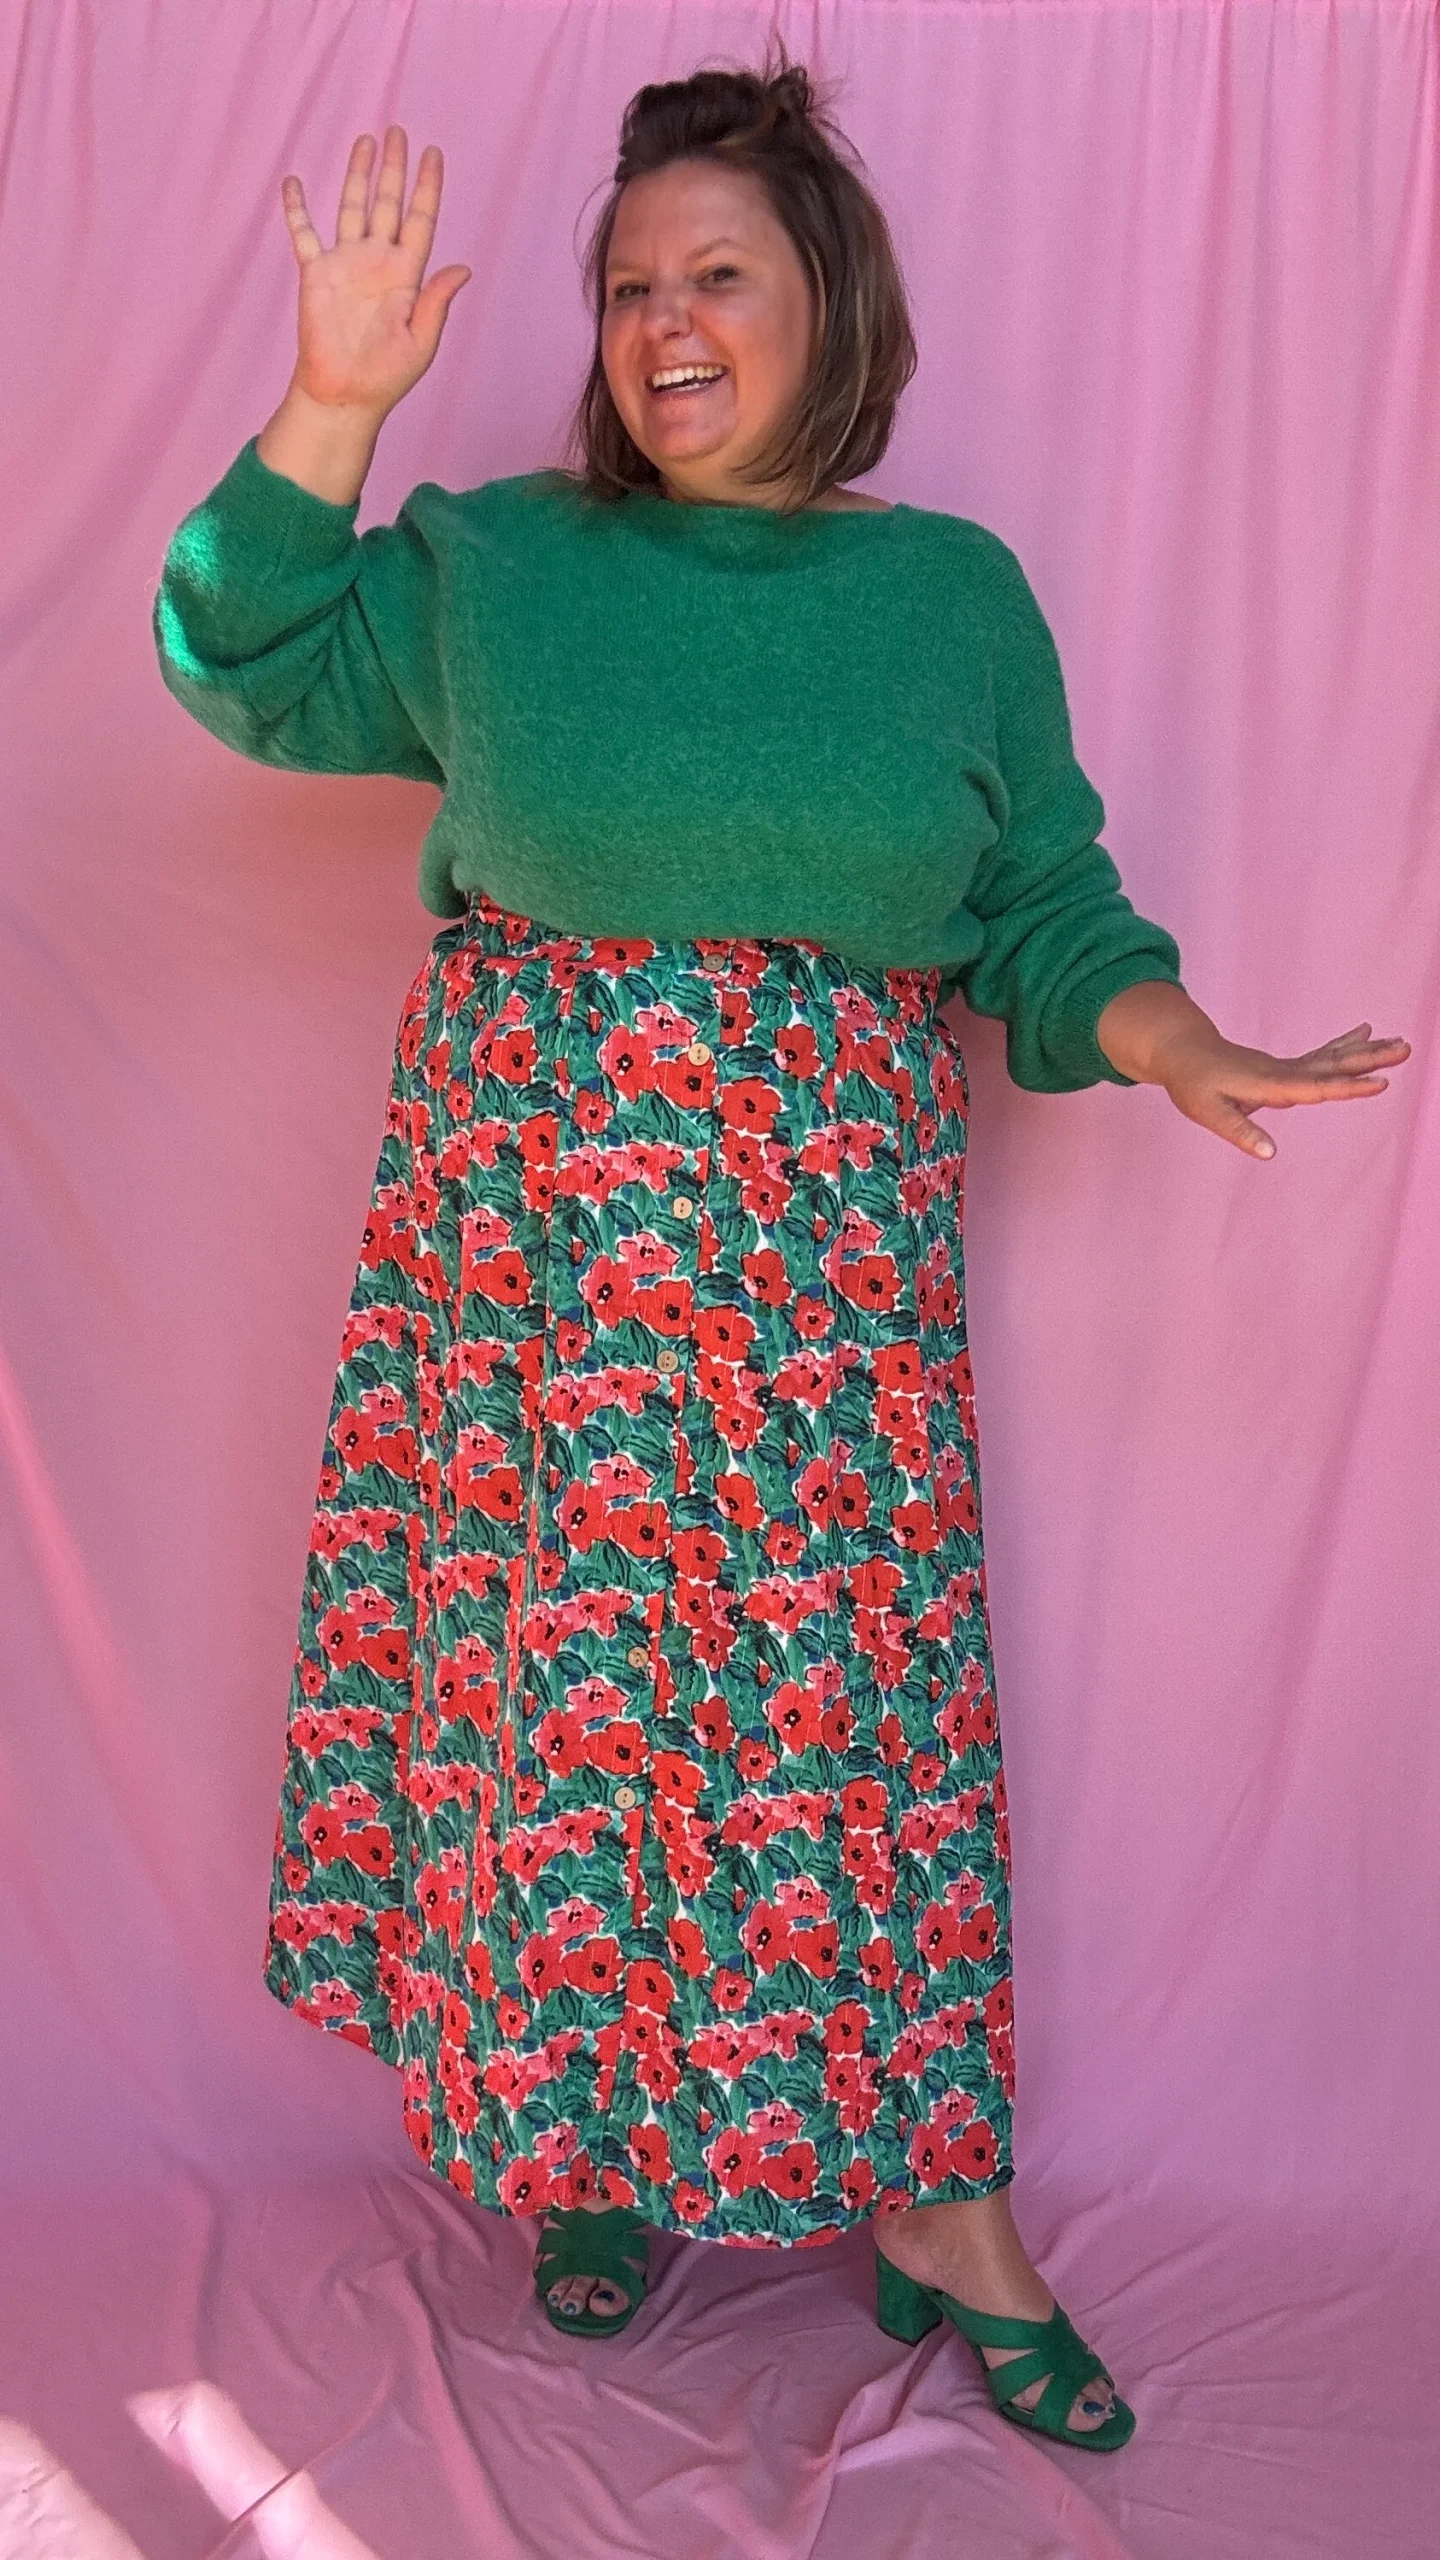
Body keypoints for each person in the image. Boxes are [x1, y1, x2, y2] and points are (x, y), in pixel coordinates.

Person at [151, 58, 1409, 2455]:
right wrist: (332, 403)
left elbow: (1042, 901)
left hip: (825, 1305)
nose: (664, 320)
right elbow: (237, 654)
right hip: (540, 1295)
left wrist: (1178, 1038)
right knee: (570, 1726)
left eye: (716, 271)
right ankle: (588, 2144)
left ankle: (945, 2207)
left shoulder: (950, 601)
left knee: (853, 1740)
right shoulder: (498, 568)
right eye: (629, 283)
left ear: (831, 300)